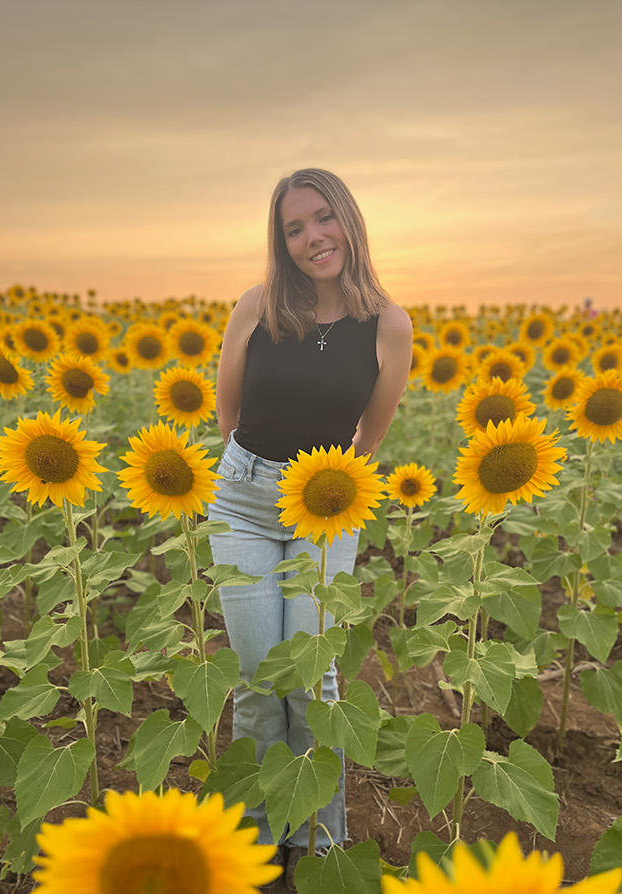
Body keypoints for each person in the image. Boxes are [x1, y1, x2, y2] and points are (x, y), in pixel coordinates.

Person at [210, 168, 412, 880]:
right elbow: (228, 413)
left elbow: (370, 436)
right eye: (294, 228)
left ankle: (320, 847)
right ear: (280, 240)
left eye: (322, 219)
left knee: (314, 681)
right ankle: (259, 848)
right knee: (261, 681)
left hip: (325, 511)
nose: (311, 238)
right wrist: (259, 478)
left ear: (348, 220)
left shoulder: (389, 325)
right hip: (242, 504)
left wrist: (320, 491)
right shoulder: (258, 307)